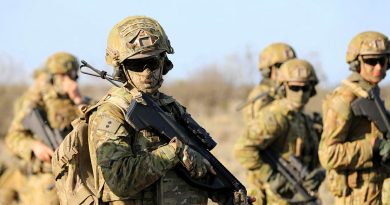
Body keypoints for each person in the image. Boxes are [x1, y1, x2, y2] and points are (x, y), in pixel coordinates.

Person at [85, 15, 253, 205]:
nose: (147, 72)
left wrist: (227, 195)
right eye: (137, 64)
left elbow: (198, 165)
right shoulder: (113, 111)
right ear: (121, 67)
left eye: (153, 62)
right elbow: (120, 180)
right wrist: (174, 152)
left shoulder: (169, 106)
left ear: (164, 62)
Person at [235, 59, 324, 205]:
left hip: (300, 197)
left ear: (312, 90)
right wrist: (272, 177)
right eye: (295, 88)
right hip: (274, 198)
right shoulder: (275, 116)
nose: (300, 93)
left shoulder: (304, 119)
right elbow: (242, 149)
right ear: (283, 88)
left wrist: (320, 173)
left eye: (305, 88)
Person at [5, 52, 89, 205]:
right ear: (53, 77)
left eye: (73, 76)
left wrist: (78, 101)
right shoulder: (35, 102)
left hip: (77, 176)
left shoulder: (79, 101)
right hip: (45, 180)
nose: (69, 81)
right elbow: (13, 137)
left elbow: (94, 127)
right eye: (64, 76)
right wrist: (34, 146)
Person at [319, 31, 390, 205]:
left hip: (378, 192)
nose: (378, 67)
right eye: (371, 61)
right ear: (357, 62)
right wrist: (372, 147)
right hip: (356, 197)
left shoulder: (372, 94)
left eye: (383, 60)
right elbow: (327, 155)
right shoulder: (345, 98)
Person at [241, 43, 296, 122]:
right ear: (268, 70)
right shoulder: (260, 95)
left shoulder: (289, 92)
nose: (286, 71)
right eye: (281, 66)